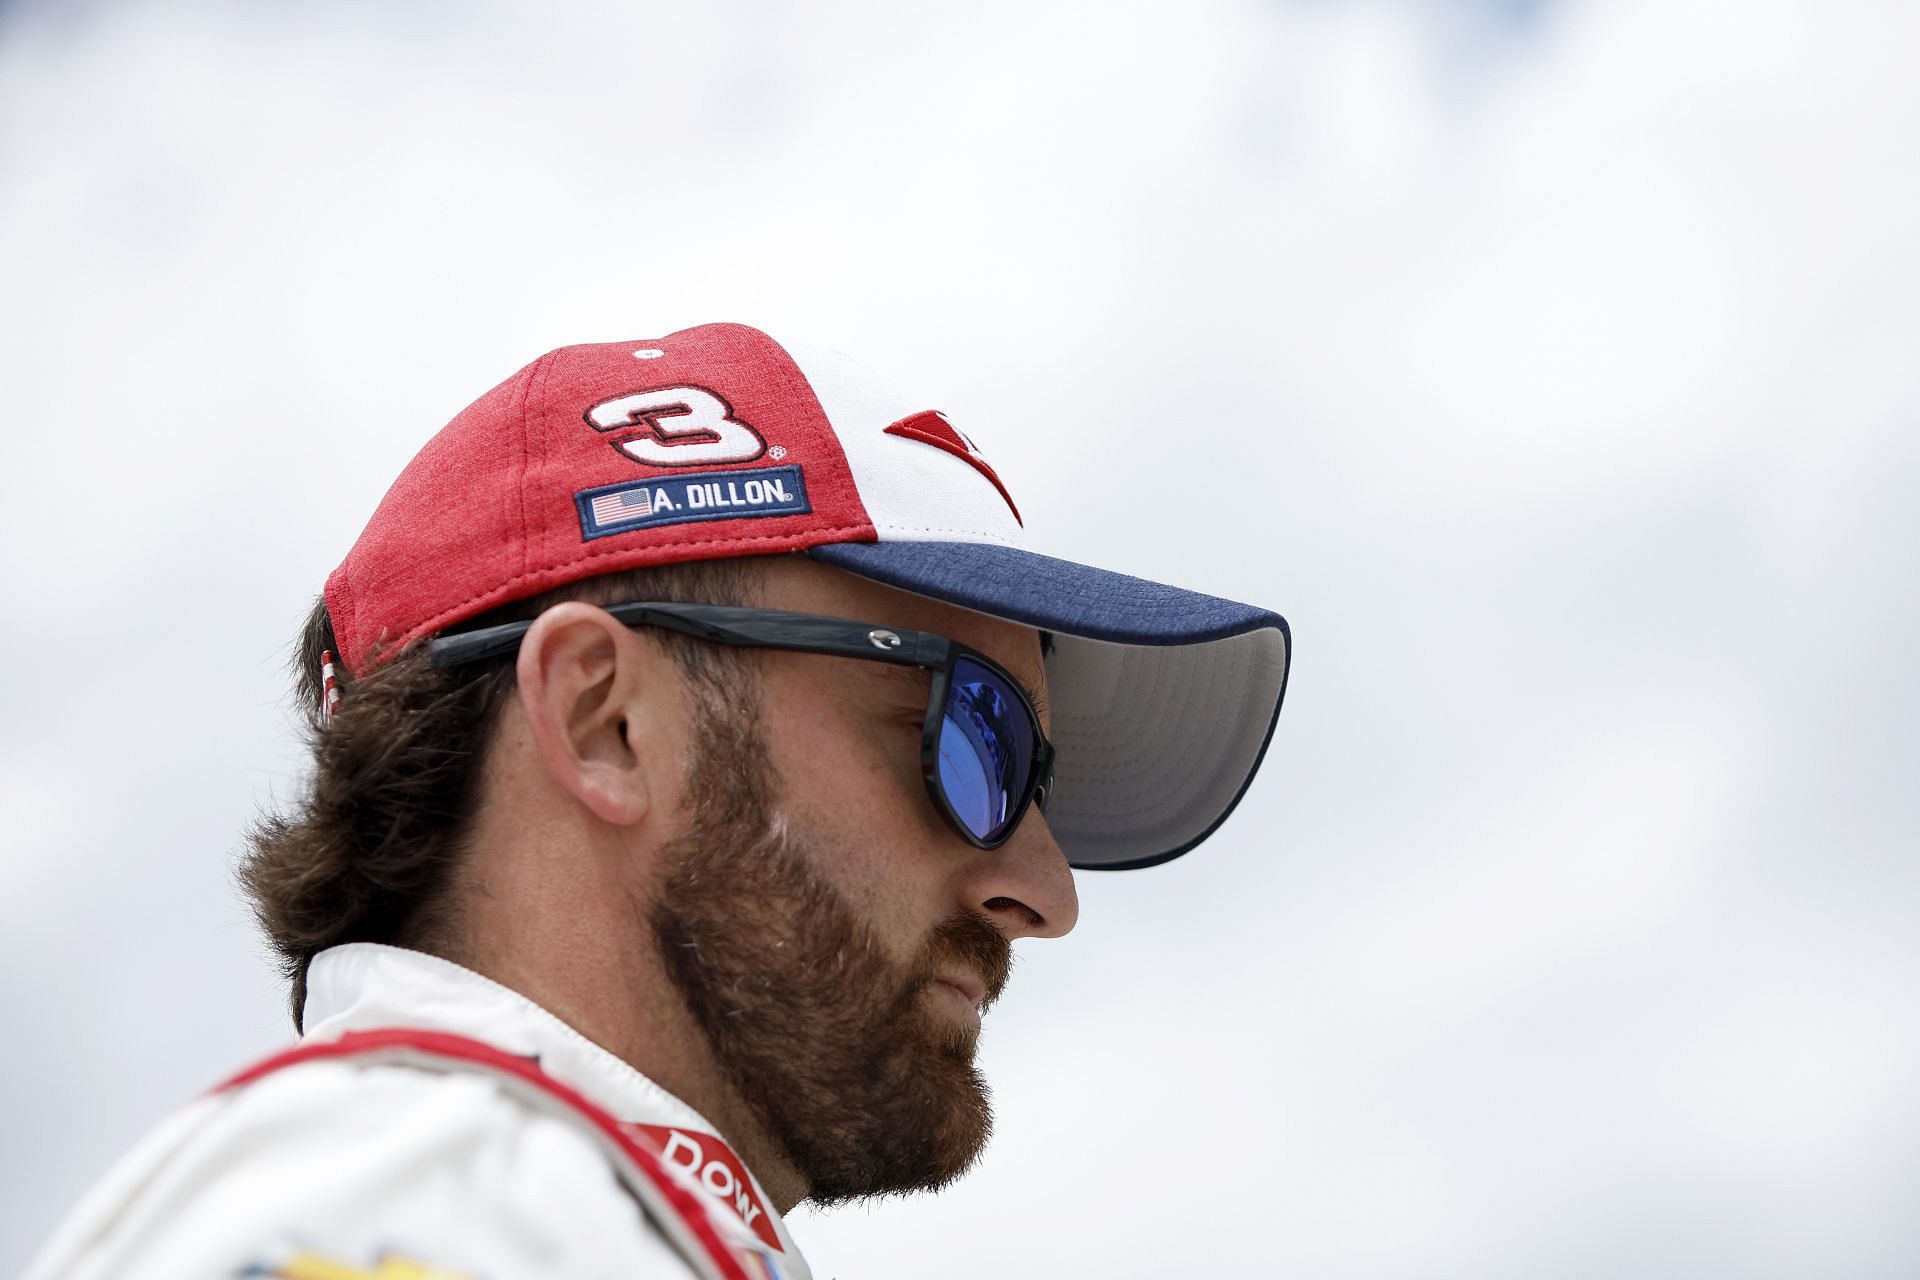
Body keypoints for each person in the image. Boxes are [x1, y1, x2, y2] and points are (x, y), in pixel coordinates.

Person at [27, 323, 1292, 1280]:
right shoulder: (438, 1201)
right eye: (973, 734)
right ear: (605, 721)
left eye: (1039, 778)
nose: (1047, 894)